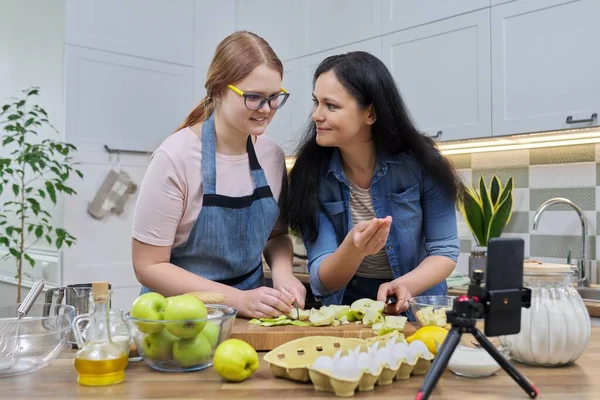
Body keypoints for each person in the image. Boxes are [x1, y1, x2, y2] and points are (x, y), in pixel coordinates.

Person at [131, 31, 306, 319]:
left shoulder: (272, 157)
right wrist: (237, 299)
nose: (266, 109)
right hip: (178, 320)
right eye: (253, 97)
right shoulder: (175, 157)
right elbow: (148, 266)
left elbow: (276, 236)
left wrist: (283, 273)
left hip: (250, 317)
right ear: (218, 91)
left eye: (274, 97)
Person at [285, 51, 462, 317]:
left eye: (330, 106)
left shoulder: (422, 163)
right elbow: (322, 282)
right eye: (316, 102)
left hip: (416, 301)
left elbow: (444, 250)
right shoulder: (310, 175)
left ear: (370, 113)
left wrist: (404, 285)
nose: (316, 116)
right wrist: (353, 248)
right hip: (347, 305)